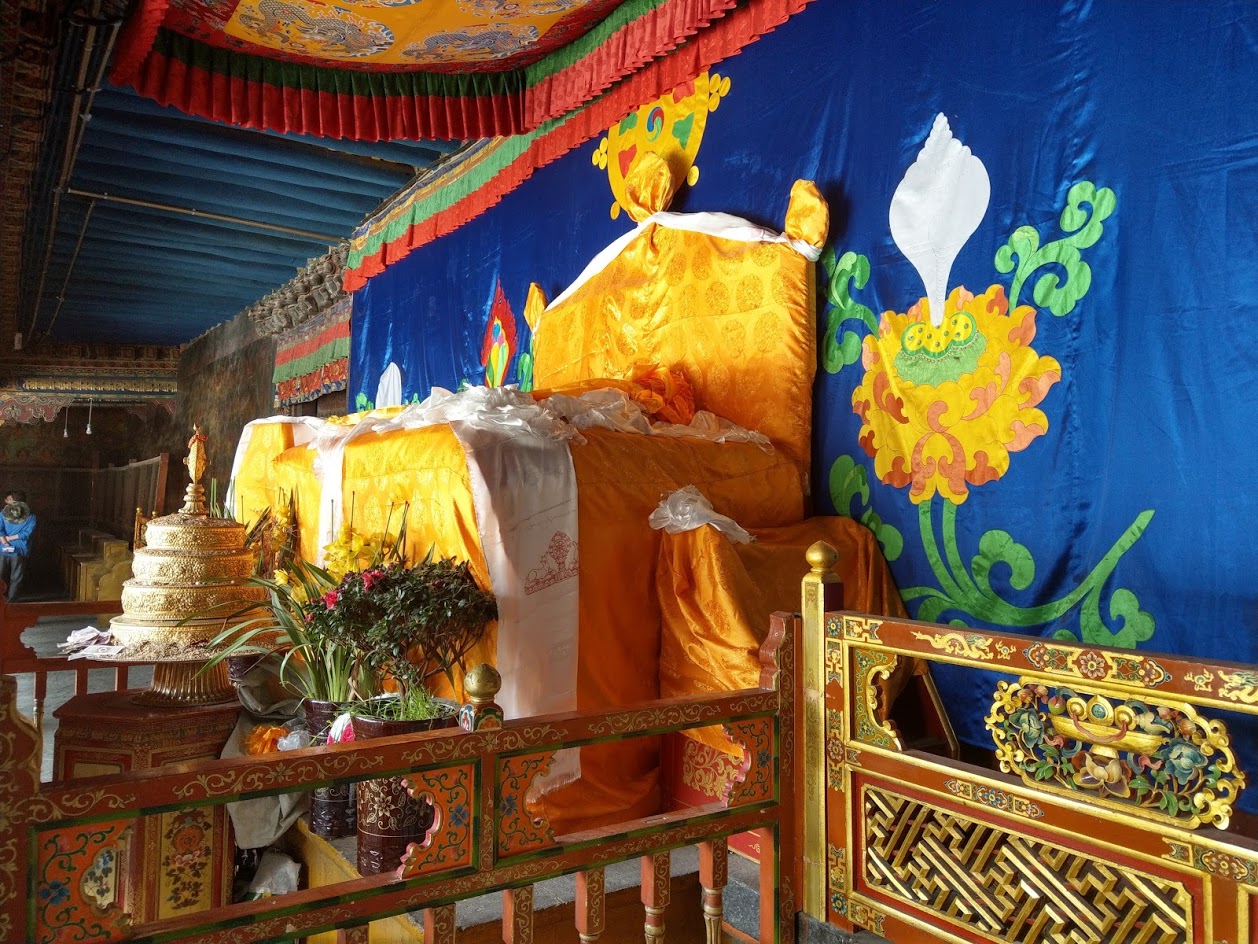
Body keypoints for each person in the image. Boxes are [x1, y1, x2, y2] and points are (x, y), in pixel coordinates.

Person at [0, 490, 36, 603]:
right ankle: (11, 602)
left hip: (3, 548)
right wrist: (8, 539)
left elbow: (0, 529)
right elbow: (26, 534)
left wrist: (5, 540)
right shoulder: (31, 517)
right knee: (16, 577)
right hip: (20, 549)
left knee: (1, 575)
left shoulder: (3, 513)